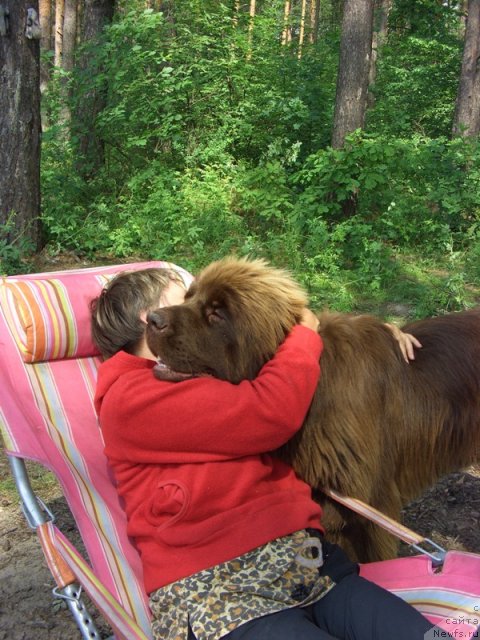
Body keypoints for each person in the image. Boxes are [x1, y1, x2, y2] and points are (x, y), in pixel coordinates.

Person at [91, 267, 444, 640]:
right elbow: (271, 409)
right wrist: (306, 334)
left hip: (309, 567)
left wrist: (373, 335)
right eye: (184, 302)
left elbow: (262, 335)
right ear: (152, 321)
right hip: (220, 595)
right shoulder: (131, 398)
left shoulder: (209, 368)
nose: (192, 312)